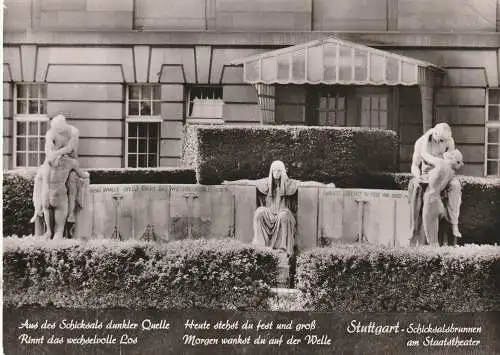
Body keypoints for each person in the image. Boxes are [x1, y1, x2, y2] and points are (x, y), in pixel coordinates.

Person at [223, 160, 334, 256]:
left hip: (285, 213)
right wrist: (229, 183)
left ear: (283, 172)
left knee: (283, 215)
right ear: (271, 171)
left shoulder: (289, 184)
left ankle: (282, 248)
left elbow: (307, 184)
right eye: (274, 171)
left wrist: (325, 186)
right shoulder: (265, 183)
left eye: (279, 171)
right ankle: (260, 245)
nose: (276, 173)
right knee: (259, 211)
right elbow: (247, 182)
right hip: (269, 213)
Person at [408, 123, 462, 245]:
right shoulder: (422, 142)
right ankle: (414, 229)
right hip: (428, 175)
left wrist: (454, 163)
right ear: (435, 134)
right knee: (419, 188)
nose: (444, 142)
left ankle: (454, 222)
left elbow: (452, 162)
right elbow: (414, 165)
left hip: (445, 173)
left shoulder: (448, 140)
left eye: (446, 140)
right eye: (442, 140)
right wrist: (417, 176)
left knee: (456, 186)